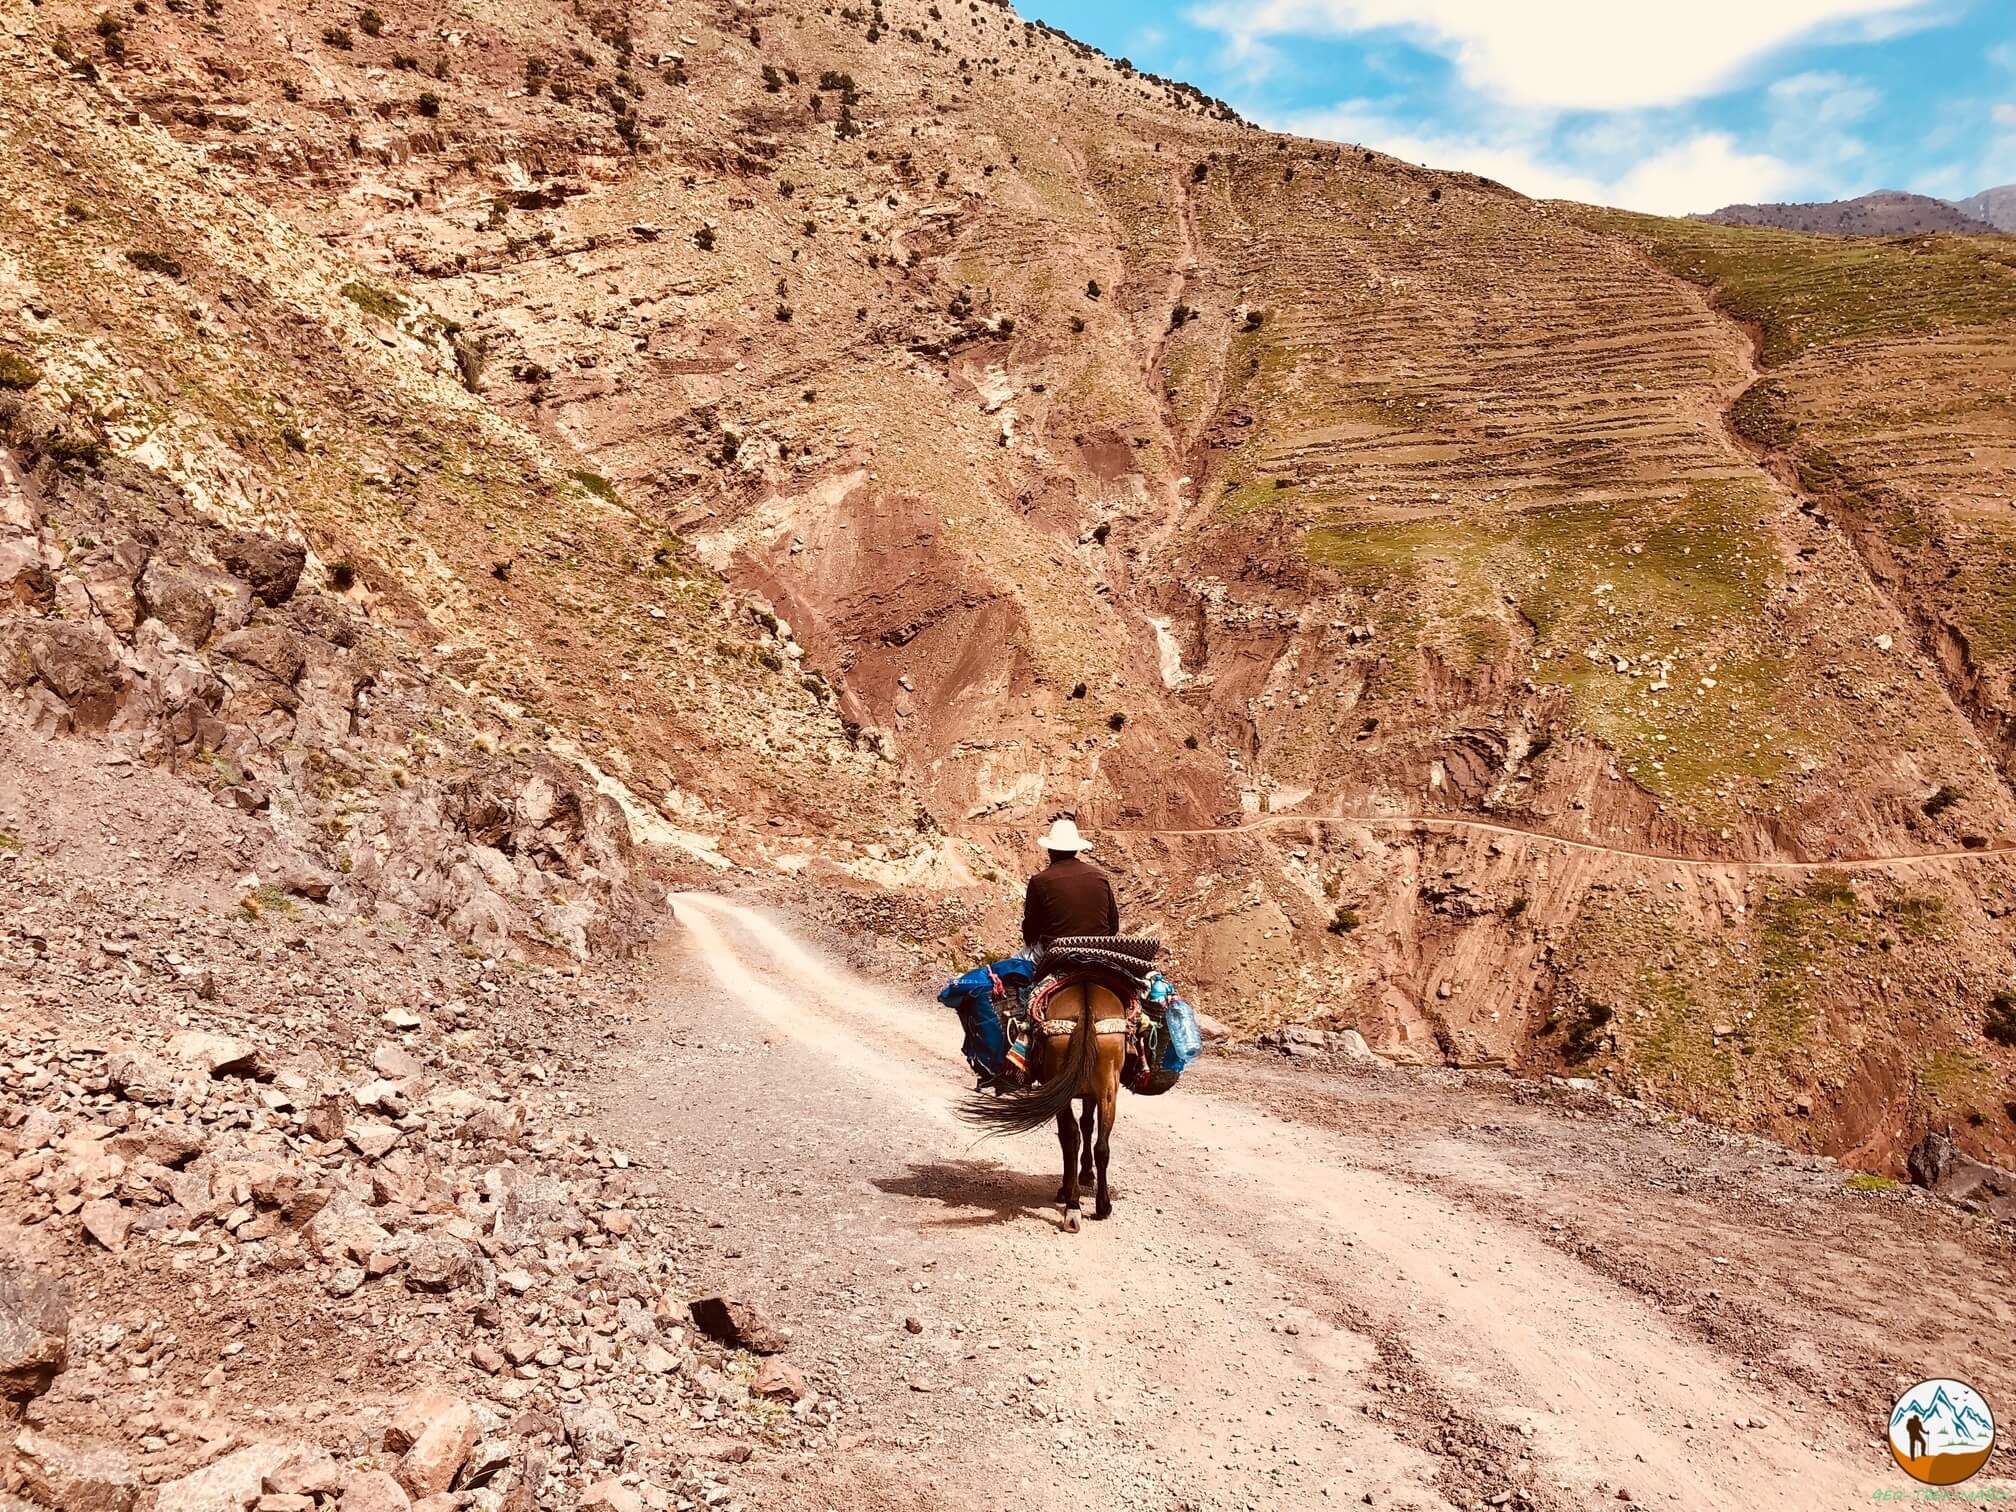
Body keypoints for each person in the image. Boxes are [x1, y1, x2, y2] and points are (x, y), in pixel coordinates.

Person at [1021, 816, 1119, 949]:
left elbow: (1031, 931)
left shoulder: (1039, 881)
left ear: (1050, 850)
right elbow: (1113, 924)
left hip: (1057, 951)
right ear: (1075, 850)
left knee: (1012, 964)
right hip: (1099, 949)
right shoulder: (1100, 876)